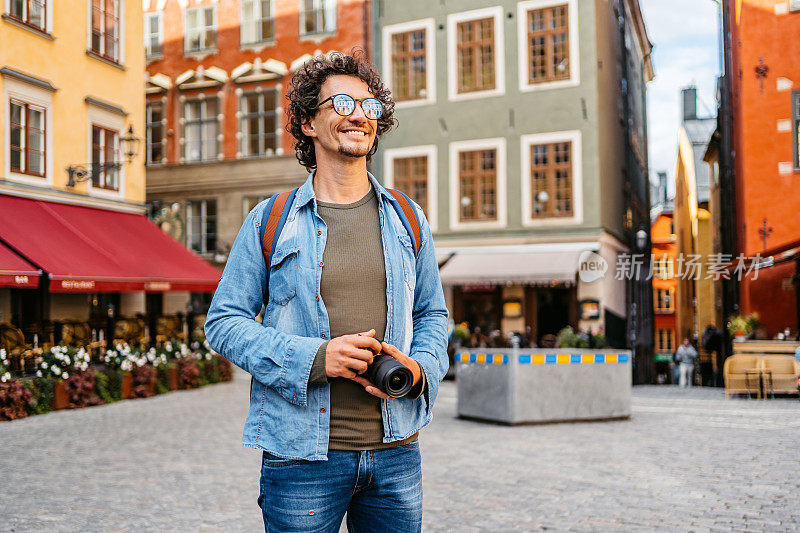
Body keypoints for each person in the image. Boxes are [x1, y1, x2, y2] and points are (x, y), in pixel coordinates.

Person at [204, 51, 449, 532]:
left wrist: (421, 370)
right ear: (307, 123)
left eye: (369, 105)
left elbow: (433, 315)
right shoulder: (270, 221)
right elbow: (224, 323)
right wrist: (317, 358)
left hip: (397, 453)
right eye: (341, 102)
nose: (359, 114)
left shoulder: (408, 218)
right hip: (301, 458)